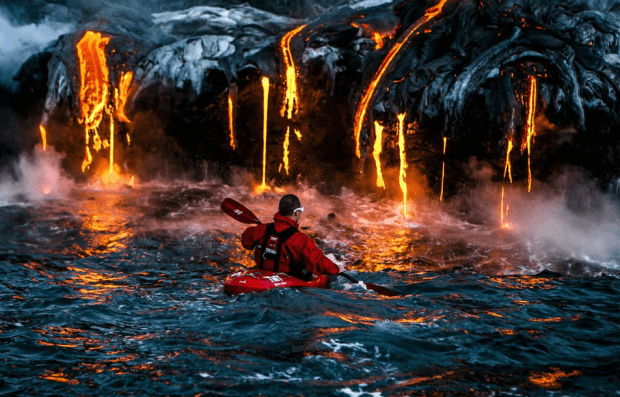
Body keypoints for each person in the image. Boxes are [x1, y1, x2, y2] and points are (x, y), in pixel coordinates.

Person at [241, 194, 345, 279]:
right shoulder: (299, 239)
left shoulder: (262, 229)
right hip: (286, 280)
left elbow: (246, 242)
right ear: (296, 213)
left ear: (279, 210)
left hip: (260, 276)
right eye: (300, 211)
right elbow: (317, 261)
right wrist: (336, 269)